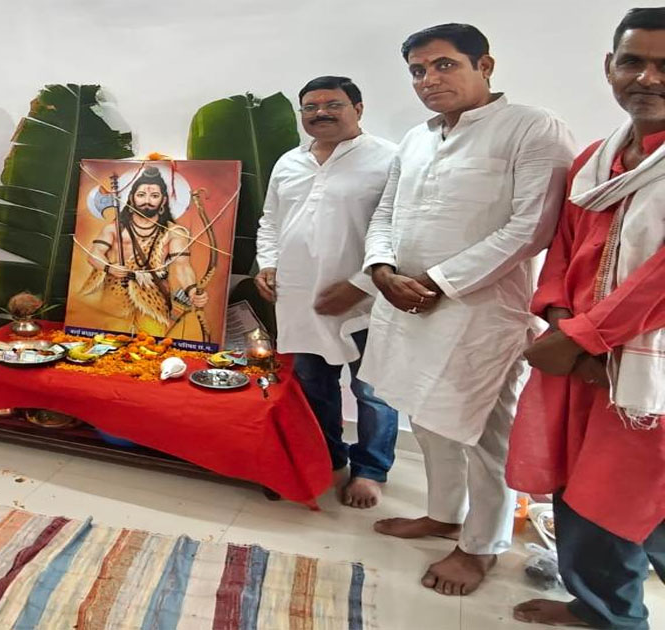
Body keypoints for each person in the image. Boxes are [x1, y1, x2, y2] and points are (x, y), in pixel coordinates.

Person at [358, 23, 574, 595]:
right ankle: (444, 515)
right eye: (418, 71)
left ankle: (482, 546)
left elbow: (532, 226)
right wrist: (381, 270)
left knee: (483, 431)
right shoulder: (416, 138)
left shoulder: (533, 127)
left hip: (480, 312)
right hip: (406, 304)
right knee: (428, 419)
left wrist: (436, 281)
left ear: (485, 66)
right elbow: (386, 213)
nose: (429, 79)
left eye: (444, 65)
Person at [507, 8, 665, 628]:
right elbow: (565, 250)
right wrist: (562, 324)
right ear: (609, 67)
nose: (647, 78)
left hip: (646, 374)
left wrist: (584, 337)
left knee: (631, 499)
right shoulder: (597, 161)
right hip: (580, 360)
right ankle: (599, 607)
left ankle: (613, 616)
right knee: (580, 484)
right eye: (633, 62)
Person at [255, 75, 400, 509]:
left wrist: (360, 285)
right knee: (314, 385)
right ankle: (330, 459)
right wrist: (267, 264)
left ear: (358, 108)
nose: (320, 113)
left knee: (374, 390)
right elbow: (270, 222)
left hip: (365, 300)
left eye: (333, 104)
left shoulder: (389, 158)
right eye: (311, 107)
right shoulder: (289, 161)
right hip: (299, 298)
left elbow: (401, 230)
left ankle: (371, 470)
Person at [81, 166, 210, 336]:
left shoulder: (174, 232)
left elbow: (182, 266)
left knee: (152, 342)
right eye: (141, 195)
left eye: (154, 196)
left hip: (153, 295)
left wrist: (192, 290)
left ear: (163, 200)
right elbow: (94, 254)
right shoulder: (114, 228)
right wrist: (109, 268)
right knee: (108, 340)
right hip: (115, 293)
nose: (147, 201)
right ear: (132, 198)